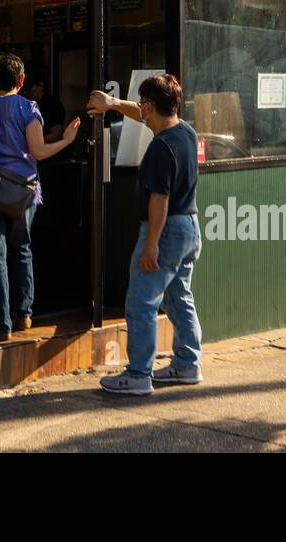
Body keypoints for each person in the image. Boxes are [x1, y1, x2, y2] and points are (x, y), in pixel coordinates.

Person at [86, 74, 202, 393]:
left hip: (164, 230)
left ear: (150, 106)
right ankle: (187, 364)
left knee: (141, 301)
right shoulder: (185, 133)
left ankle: (138, 374)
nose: (140, 109)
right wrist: (112, 104)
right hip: (189, 227)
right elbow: (145, 115)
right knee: (179, 298)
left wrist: (152, 244)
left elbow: (159, 201)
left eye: (142, 104)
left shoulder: (160, 148)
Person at [0, 52, 81, 341]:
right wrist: (66, 140)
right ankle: (24, 314)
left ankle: (1, 325)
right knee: (22, 249)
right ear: (22, 80)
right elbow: (38, 151)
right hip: (24, 191)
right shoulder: (29, 108)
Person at [22, 75, 67, 142]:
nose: (26, 93)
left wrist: (34, 142)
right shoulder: (26, 104)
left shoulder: (53, 105)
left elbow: (56, 135)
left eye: (29, 89)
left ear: (40, 86)